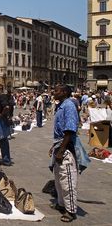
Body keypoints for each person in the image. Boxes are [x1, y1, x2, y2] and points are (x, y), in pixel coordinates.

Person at [49, 84, 79, 223]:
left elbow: (70, 130)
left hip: (67, 148)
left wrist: (61, 150)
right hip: (59, 145)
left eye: (56, 90)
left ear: (65, 92)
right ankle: (62, 204)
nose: (53, 92)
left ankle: (70, 210)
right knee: (59, 179)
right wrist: (54, 147)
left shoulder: (69, 106)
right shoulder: (61, 105)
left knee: (67, 180)